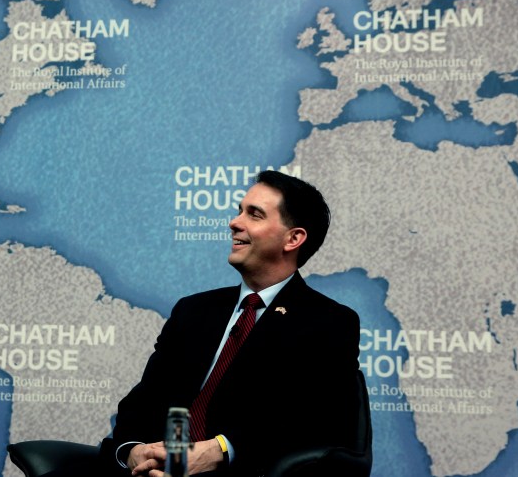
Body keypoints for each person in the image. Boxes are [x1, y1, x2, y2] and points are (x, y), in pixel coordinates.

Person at [99, 170, 361, 477]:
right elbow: (142, 403)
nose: (234, 222)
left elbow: (309, 424)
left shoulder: (328, 323)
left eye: (255, 214)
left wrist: (220, 450)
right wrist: (133, 451)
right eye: (239, 211)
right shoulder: (193, 310)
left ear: (293, 238)